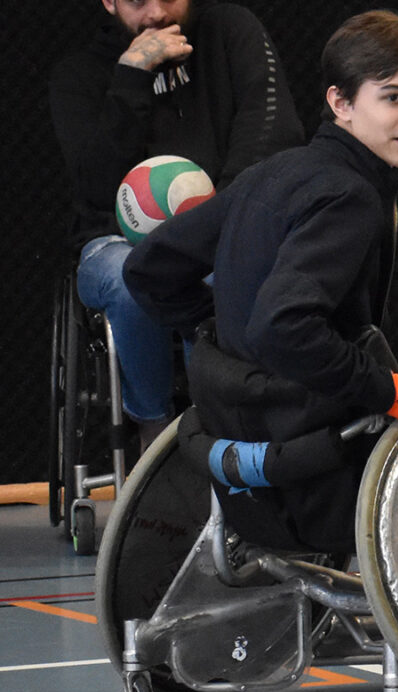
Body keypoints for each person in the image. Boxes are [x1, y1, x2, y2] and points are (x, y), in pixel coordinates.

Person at [126, 10, 398, 555]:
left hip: (263, 480)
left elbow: (147, 270)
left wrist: (222, 344)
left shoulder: (269, 175)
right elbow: (281, 328)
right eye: (393, 98)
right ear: (340, 103)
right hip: (333, 477)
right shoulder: (349, 196)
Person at [50, 0, 302, 434]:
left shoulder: (230, 30)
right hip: (114, 244)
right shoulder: (78, 76)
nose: (156, 14)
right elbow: (93, 187)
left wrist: (211, 228)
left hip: (220, 237)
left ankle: (217, 427)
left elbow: (274, 132)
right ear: (109, 2)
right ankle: (158, 435)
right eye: (137, 2)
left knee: (222, 277)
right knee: (135, 280)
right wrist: (131, 78)